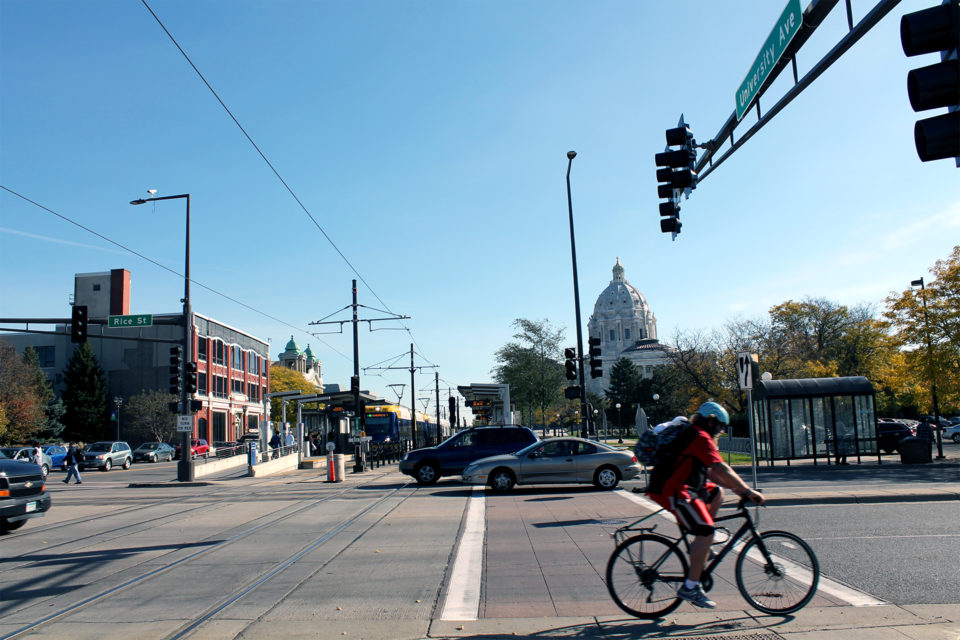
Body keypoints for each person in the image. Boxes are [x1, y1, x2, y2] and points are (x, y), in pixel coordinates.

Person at [646, 401, 764, 609]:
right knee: (706, 531)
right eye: (720, 426)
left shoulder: (697, 434)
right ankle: (690, 586)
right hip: (671, 490)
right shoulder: (700, 437)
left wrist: (738, 490)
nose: (721, 431)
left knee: (717, 493)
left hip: (683, 487)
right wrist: (747, 491)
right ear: (711, 421)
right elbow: (722, 469)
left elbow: (712, 474)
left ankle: (700, 545)